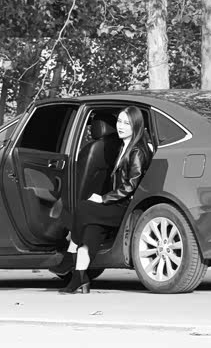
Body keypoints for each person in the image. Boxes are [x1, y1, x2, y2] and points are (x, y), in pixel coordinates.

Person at [58, 105, 152, 294]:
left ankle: (69, 254)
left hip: (125, 207)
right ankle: (80, 277)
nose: (121, 126)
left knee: (83, 207)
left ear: (136, 126)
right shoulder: (123, 146)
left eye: (127, 123)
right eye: (119, 122)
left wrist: (103, 198)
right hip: (117, 204)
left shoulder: (137, 151)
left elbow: (130, 186)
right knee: (91, 229)